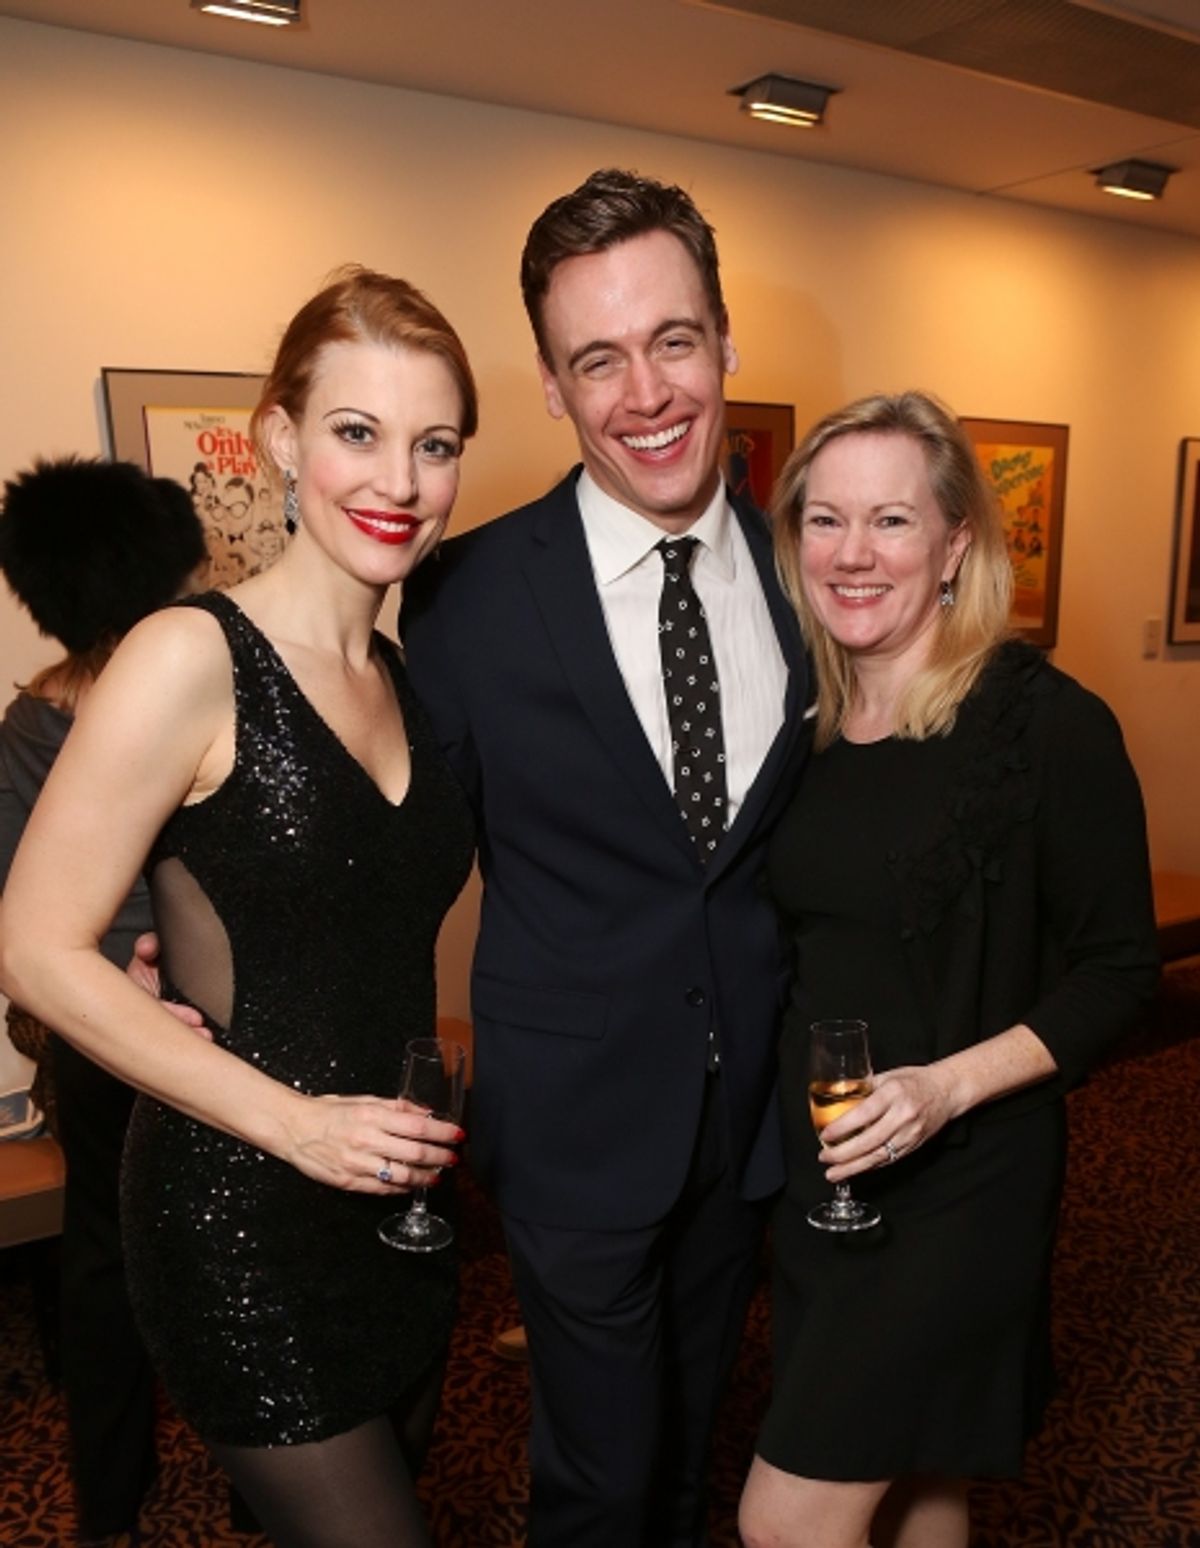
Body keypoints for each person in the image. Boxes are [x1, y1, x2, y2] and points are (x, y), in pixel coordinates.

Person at [0, 267, 478, 1548]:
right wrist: (298, 1127)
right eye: (357, 434)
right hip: (240, 1212)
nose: (399, 481)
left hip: (399, 1202)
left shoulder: (411, 686)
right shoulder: (187, 656)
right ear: (280, 440)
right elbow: (38, 951)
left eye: (434, 445)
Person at [401, 168, 812, 1547]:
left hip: (747, 1116)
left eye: (672, 341)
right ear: (553, 385)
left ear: (725, 339)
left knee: (697, 1436)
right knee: (597, 1474)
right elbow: (394, 855)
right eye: (599, 359)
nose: (644, 393)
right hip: (571, 1125)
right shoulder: (466, 602)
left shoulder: (804, 574)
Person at [737, 391, 1159, 1548]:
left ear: (956, 543)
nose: (853, 554)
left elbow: (1122, 970)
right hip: (832, 1173)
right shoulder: (807, 715)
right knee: (924, 1482)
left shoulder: (1045, 725)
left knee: (787, 1518)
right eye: (825, 522)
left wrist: (943, 1089)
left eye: (890, 521)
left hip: (964, 1180)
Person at [0, 455, 206, 1544]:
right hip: (193, 1024)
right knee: (212, 1258)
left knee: (104, 1263)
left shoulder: (33, 720)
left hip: (95, 1033)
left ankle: (108, 1505)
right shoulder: (176, 700)